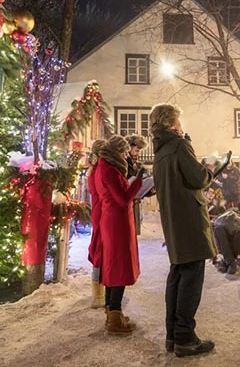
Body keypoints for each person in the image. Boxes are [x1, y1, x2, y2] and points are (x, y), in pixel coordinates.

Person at [151, 103, 229, 357]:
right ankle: (185, 337)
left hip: (174, 220)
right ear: (173, 124)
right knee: (191, 278)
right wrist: (210, 170)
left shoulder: (160, 151)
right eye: (180, 123)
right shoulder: (179, 145)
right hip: (189, 220)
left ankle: (173, 335)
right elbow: (197, 179)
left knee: (177, 275)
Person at [95, 135, 144, 335]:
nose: (126, 155)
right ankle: (114, 318)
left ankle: (112, 313)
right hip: (117, 223)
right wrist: (139, 182)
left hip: (114, 221)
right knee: (119, 267)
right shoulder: (110, 170)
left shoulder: (104, 167)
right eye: (124, 152)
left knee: (113, 266)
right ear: (116, 152)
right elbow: (123, 199)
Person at [87, 139, 107, 309]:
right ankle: (98, 295)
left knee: (100, 250)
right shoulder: (99, 169)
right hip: (102, 211)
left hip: (98, 210)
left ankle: (100, 293)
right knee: (100, 252)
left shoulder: (94, 168)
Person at [125, 134, 149, 236]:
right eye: (137, 149)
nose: (138, 152)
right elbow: (128, 176)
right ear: (130, 146)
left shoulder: (132, 159)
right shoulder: (126, 159)